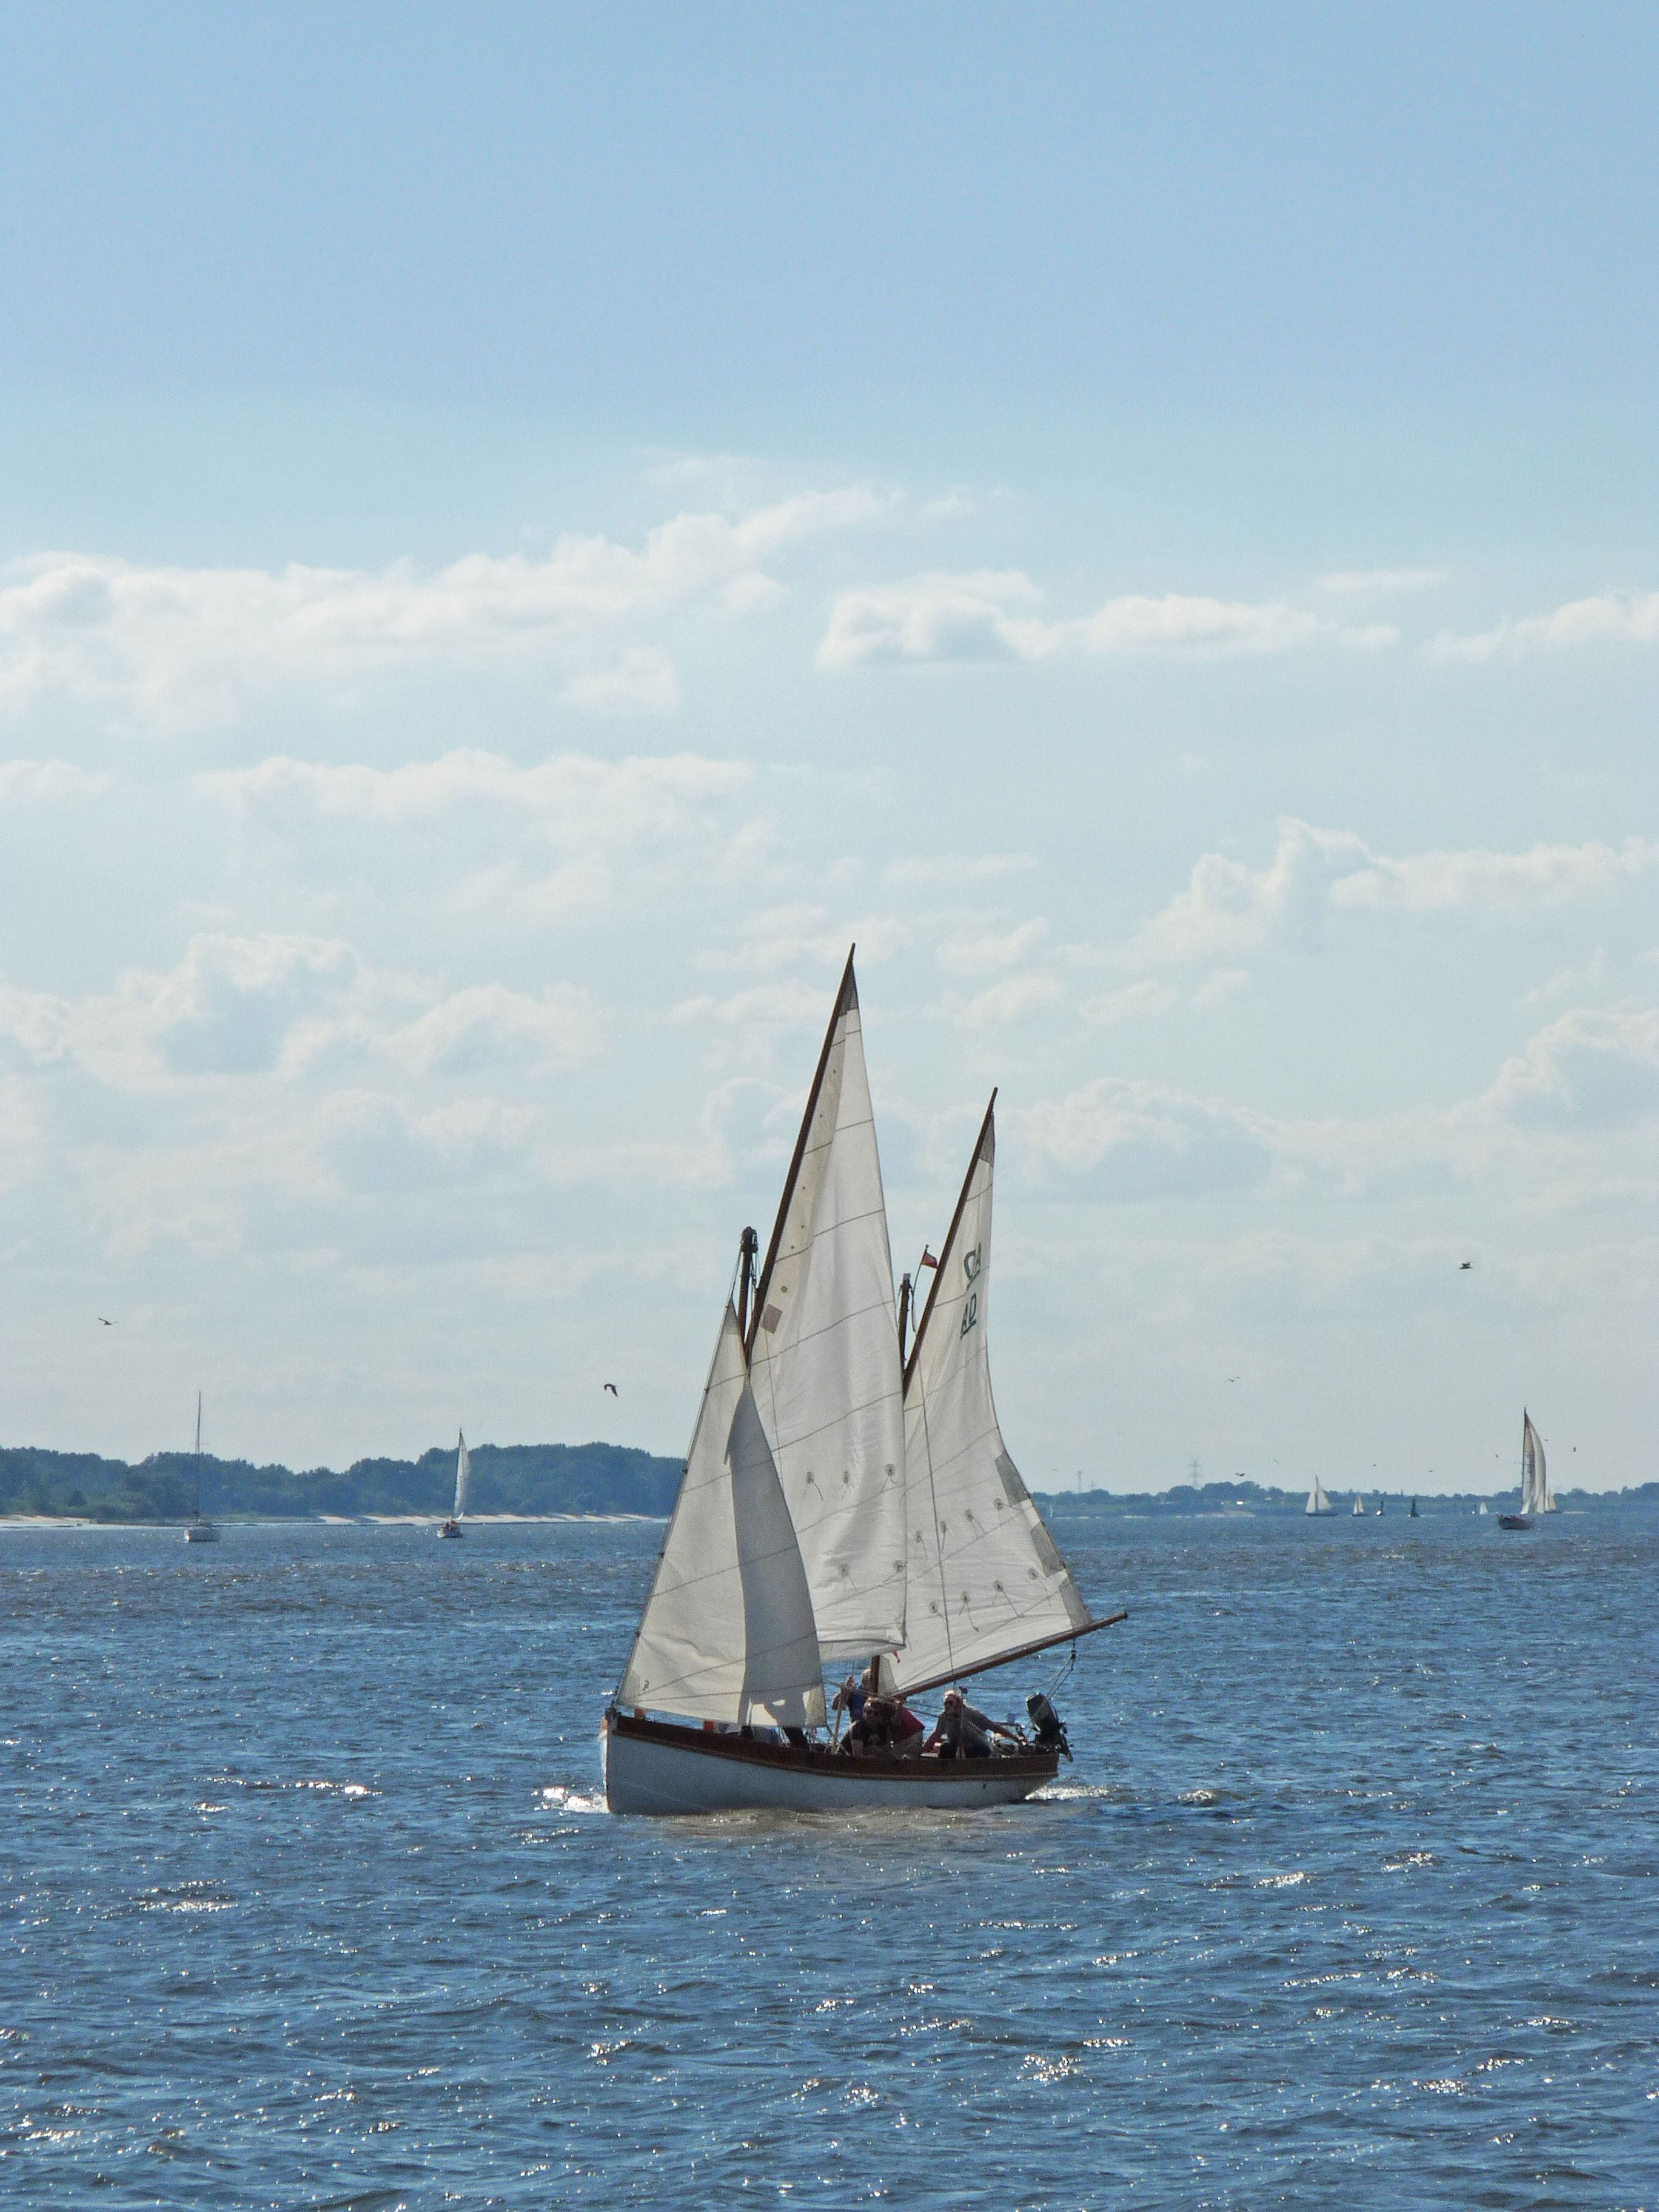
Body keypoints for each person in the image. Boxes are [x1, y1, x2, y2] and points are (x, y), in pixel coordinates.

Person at [923, 1689, 1021, 1759]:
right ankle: (942, 1772)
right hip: (957, 1748)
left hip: (976, 1747)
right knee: (945, 1747)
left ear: (959, 1704)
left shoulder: (972, 1714)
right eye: (946, 1703)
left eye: (950, 1703)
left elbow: (994, 1727)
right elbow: (936, 1735)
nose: (948, 1706)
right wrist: (921, 1751)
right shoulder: (944, 1717)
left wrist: (1015, 1739)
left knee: (982, 1750)